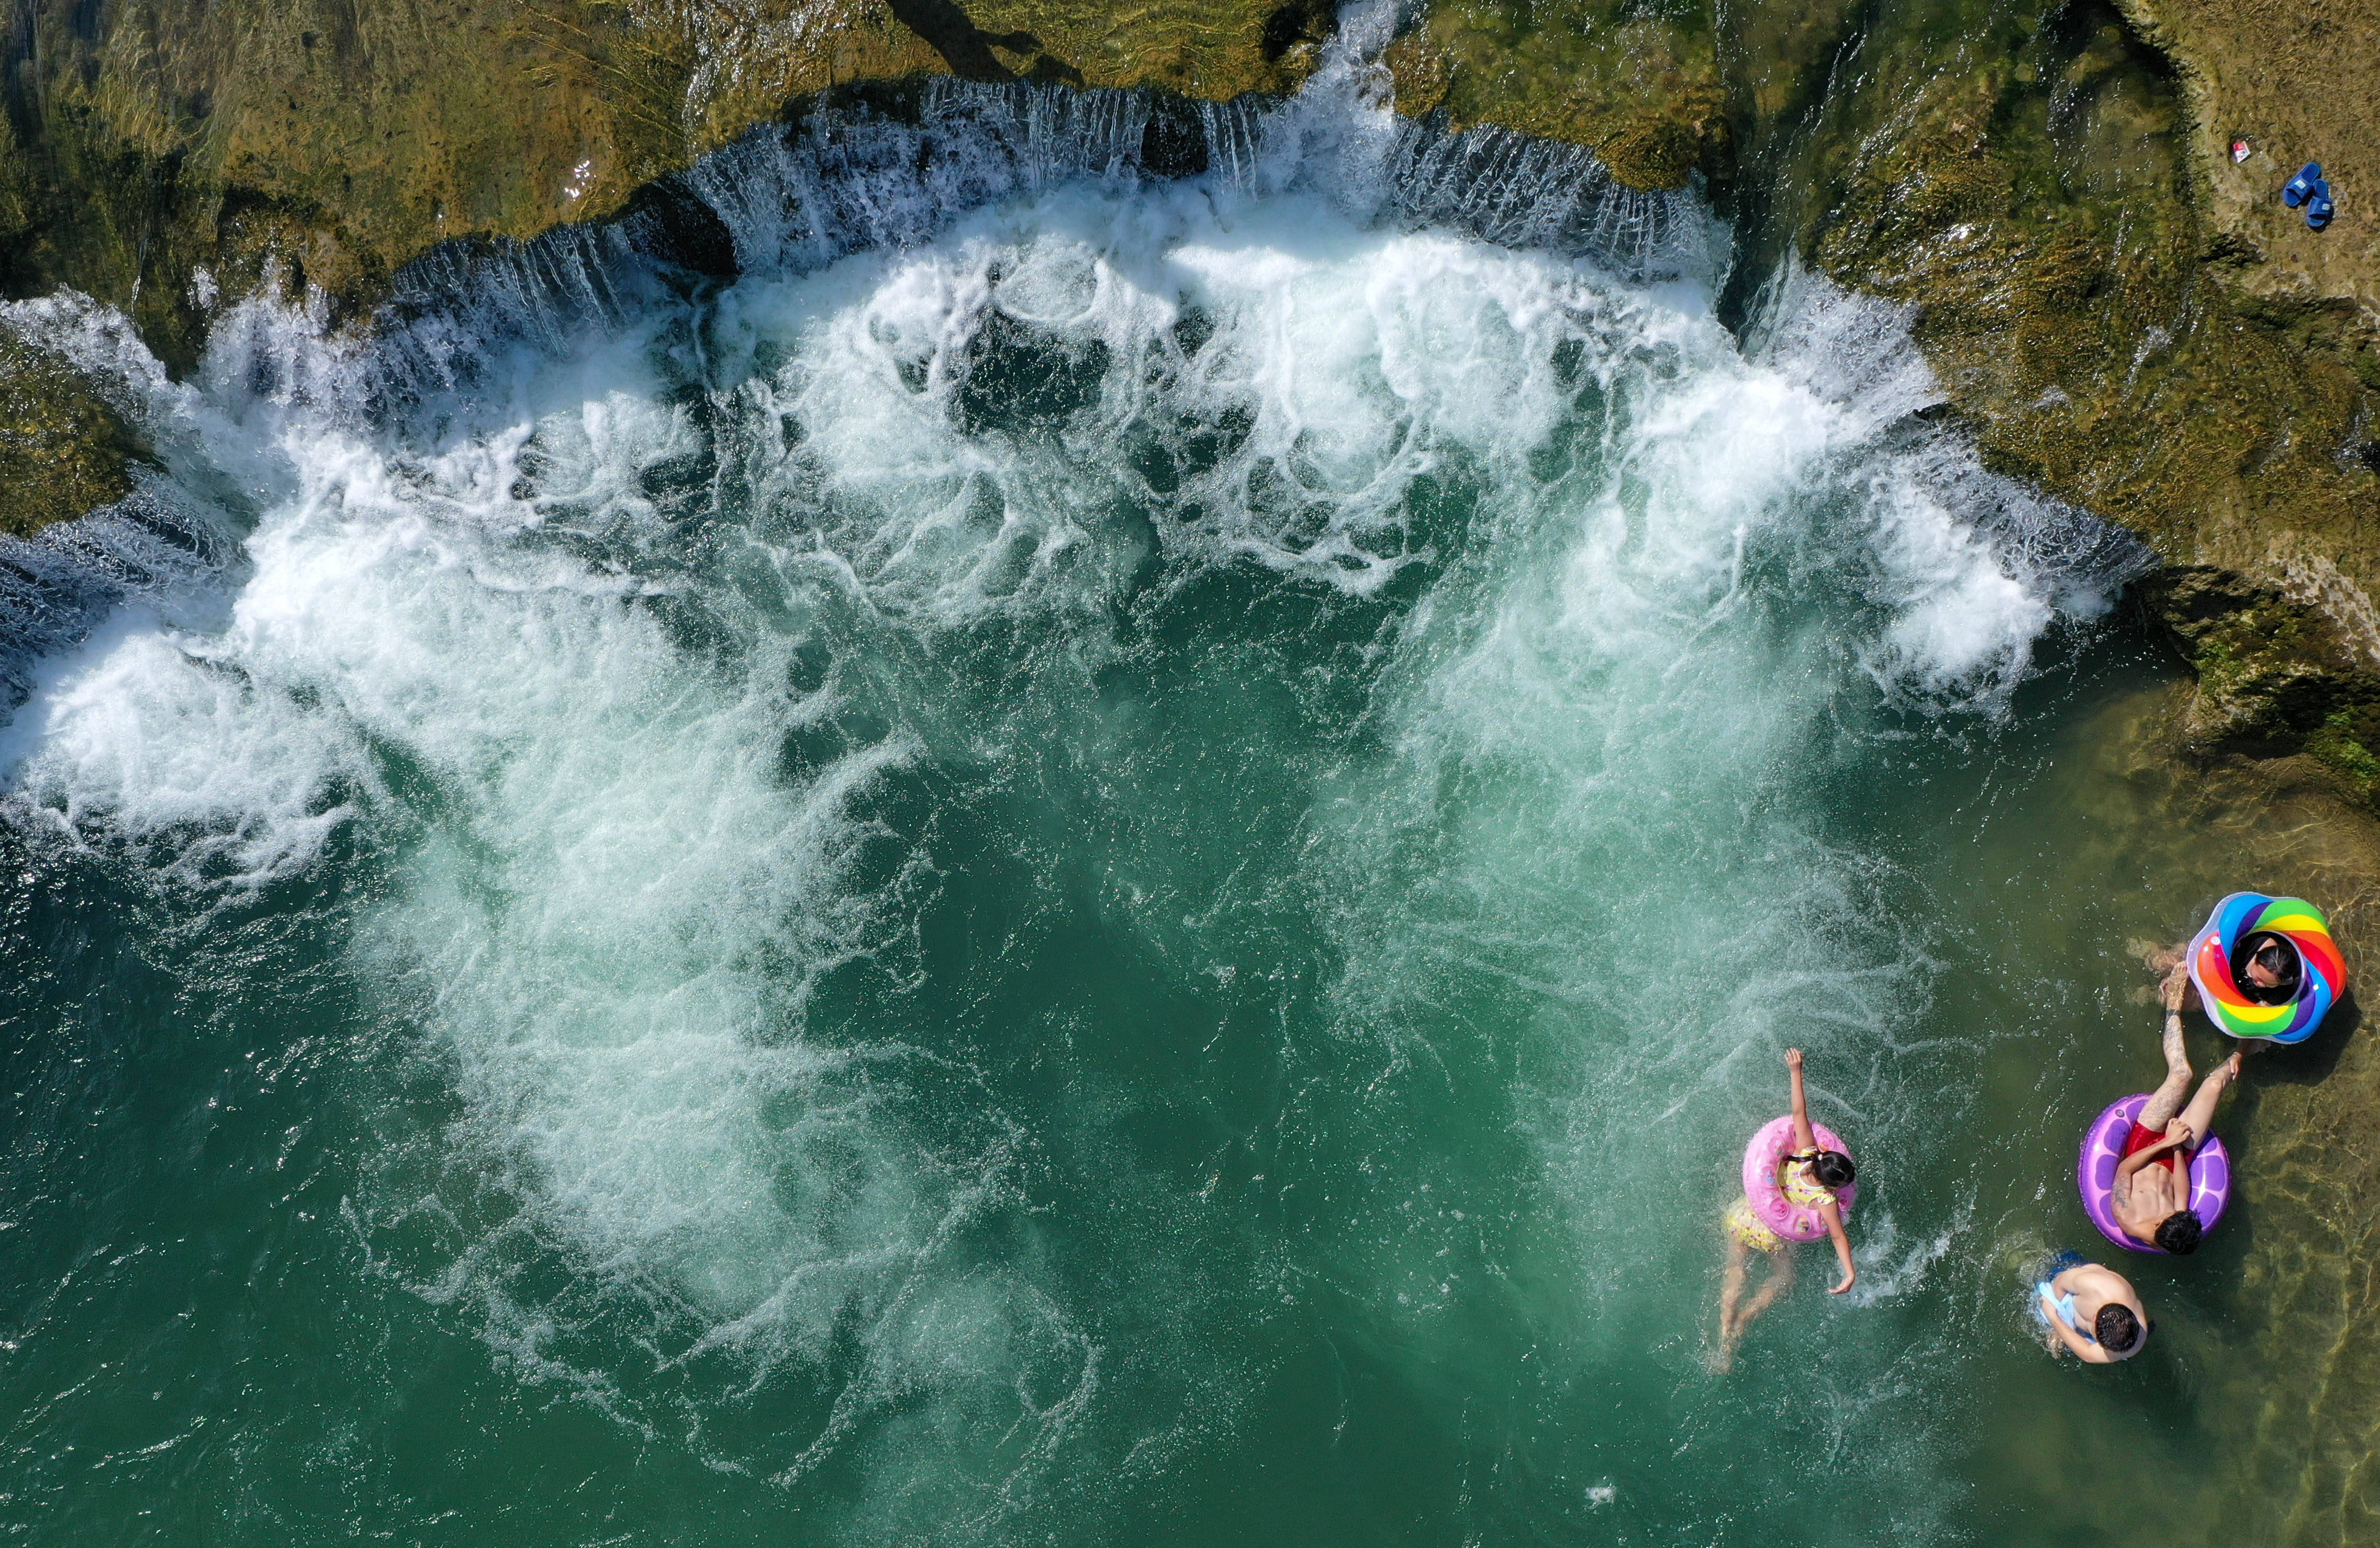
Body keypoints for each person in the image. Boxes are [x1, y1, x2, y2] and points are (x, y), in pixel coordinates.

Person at [1714, 1047, 1857, 1371]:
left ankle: (1725, 1332)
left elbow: (1798, 1112)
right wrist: (1850, 1272)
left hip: (1745, 1215)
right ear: (1832, 1185)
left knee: (1736, 1271)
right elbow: (1837, 1236)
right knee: (1785, 1279)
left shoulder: (1807, 1151)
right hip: (1773, 1235)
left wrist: (1796, 1071)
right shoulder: (1826, 1200)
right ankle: (1746, 1318)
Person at [2111, 967, 2244, 1253]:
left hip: (2141, 1147)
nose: (2169, 1211)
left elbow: (2124, 1169)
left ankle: (2173, 1003)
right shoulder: (2179, 1223)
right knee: (2212, 1086)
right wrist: (2174, 1149)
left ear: (2158, 1227)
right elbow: (2182, 1190)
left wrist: (2167, 1140)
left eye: (2167, 1217)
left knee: (2182, 1075)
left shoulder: (2127, 1218)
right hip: (2176, 1155)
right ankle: (2242, 1050)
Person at [2036, 1251, 2149, 1363]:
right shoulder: (2090, 1284)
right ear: (2094, 1318)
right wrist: (2058, 1319)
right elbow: (2059, 1283)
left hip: (2086, 1312)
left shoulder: (2135, 1339)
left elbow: (2088, 1354)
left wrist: (2055, 1320)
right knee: (2042, 1298)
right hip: (2069, 1270)